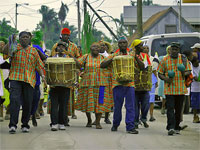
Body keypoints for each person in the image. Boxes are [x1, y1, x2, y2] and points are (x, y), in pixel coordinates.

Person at [3, 31, 46, 134]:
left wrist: (43, 76)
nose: (25, 39)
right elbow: (5, 53)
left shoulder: (33, 51)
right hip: (15, 78)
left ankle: (25, 125)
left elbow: (38, 65)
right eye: (22, 37)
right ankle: (13, 125)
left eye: (27, 37)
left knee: (27, 103)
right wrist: (10, 41)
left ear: (30, 39)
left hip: (29, 80)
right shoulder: (15, 48)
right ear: (19, 38)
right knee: (14, 101)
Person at [101, 36, 144, 134]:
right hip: (117, 84)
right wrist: (112, 60)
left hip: (130, 84)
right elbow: (102, 65)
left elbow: (142, 67)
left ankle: (130, 127)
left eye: (124, 43)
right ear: (118, 44)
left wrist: (136, 58)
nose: (122, 45)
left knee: (130, 106)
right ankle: (115, 124)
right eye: (120, 43)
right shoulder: (114, 55)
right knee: (117, 106)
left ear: (127, 44)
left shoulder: (132, 54)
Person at [157, 42, 191, 136]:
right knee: (170, 108)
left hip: (180, 89)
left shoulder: (183, 59)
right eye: (173, 49)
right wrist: (166, 79)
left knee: (179, 109)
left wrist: (183, 71)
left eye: (176, 49)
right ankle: (170, 127)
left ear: (178, 50)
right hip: (169, 89)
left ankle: (176, 127)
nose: (174, 51)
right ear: (170, 50)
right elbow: (160, 73)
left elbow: (189, 71)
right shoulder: (164, 60)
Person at [75, 42, 108, 129]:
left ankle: (97, 122)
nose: (96, 48)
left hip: (101, 83)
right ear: (90, 48)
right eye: (94, 47)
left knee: (100, 102)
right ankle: (89, 120)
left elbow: (108, 68)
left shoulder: (103, 58)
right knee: (87, 102)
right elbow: (77, 65)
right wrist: (79, 72)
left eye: (98, 47)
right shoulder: (86, 57)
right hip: (87, 83)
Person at [52, 28, 80, 124]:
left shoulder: (74, 46)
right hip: (57, 75)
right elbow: (51, 59)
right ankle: (56, 120)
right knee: (56, 100)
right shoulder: (55, 45)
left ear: (69, 36)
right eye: (64, 35)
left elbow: (78, 59)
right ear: (61, 35)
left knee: (68, 99)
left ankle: (66, 117)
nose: (65, 36)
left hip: (69, 75)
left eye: (67, 35)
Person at [49, 41, 75, 131]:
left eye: (63, 47)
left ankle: (61, 123)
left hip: (65, 85)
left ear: (66, 49)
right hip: (54, 85)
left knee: (64, 105)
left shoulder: (69, 59)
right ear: (56, 49)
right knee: (54, 105)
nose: (61, 48)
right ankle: (54, 123)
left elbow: (74, 68)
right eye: (59, 47)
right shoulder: (51, 58)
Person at [132, 40, 151, 129]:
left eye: (142, 45)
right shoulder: (131, 56)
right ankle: (136, 121)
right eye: (140, 45)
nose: (142, 47)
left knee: (145, 104)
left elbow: (146, 68)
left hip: (144, 84)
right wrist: (135, 57)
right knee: (135, 105)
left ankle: (143, 119)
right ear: (135, 47)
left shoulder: (145, 56)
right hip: (134, 84)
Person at [143, 45, 159, 122]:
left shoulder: (153, 59)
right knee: (142, 99)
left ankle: (151, 115)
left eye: (147, 48)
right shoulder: (140, 58)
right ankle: (142, 115)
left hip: (151, 79)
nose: (146, 49)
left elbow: (154, 70)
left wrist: (156, 81)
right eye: (144, 48)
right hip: (142, 80)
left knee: (151, 99)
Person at [158, 46, 172, 115]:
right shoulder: (163, 58)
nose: (170, 50)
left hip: (172, 78)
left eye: (171, 49)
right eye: (168, 49)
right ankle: (163, 107)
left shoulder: (176, 58)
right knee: (164, 95)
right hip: (165, 78)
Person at [190, 56, 200, 123]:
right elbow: (191, 75)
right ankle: (195, 116)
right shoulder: (191, 67)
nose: (196, 64)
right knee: (194, 104)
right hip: (194, 88)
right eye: (195, 63)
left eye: (197, 63)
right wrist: (193, 77)